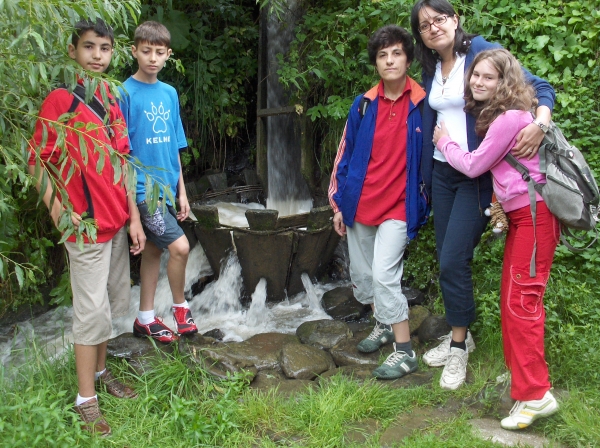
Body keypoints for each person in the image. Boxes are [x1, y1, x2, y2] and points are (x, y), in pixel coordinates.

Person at [410, 0, 555, 390]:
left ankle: (459, 347)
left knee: (453, 258)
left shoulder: (478, 51)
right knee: (447, 258)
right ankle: (462, 334)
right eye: (424, 25)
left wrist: (540, 124)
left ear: (455, 20)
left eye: (439, 19)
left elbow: (538, 86)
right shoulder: (430, 67)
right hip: (443, 173)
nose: (433, 28)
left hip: (475, 175)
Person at [28, 19, 144, 436]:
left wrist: (134, 218)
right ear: (73, 51)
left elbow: (123, 161)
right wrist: (61, 213)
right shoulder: (60, 100)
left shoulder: (111, 98)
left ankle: (100, 372)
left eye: (105, 48)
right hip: (86, 227)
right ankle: (85, 400)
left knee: (109, 305)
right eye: (89, 47)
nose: (97, 55)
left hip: (116, 222)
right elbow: (36, 161)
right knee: (90, 312)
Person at [433, 48, 559, 429]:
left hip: (535, 218)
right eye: (475, 75)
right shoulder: (505, 116)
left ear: (506, 82)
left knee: (521, 304)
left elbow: (473, 166)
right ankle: (524, 380)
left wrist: (444, 141)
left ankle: (536, 395)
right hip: (525, 218)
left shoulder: (508, 119)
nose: (478, 82)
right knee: (514, 300)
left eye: (489, 77)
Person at [328, 25, 429, 380]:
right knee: (365, 276)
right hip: (361, 204)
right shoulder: (364, 104)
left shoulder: (423, 103)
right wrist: (338, 204)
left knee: (385, 275)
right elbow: (344, 156)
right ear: (375, 63)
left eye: (396, 53)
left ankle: (405, 353)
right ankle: (383, 324)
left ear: (408, 59)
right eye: (382, 55)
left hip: (400, 205)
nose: (389, 61)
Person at [119, 21, 197, 344]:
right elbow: (121, 154)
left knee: (153, 251)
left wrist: (182, 192)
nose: (153, 58)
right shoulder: (124, 93)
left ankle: (145, 319)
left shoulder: (169, 93)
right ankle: (181, 308)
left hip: (166, 188)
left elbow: (175, 147)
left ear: (168, 54)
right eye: (146, 51)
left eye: (159, 52)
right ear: (134, 51)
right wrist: (133, 215)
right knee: (180, 247)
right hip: (143, 192)